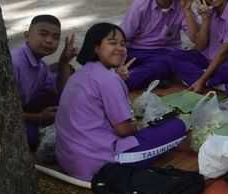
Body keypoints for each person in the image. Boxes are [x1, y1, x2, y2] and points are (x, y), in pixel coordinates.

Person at [55, 23, 187, 181]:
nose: (120, 48)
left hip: (69, 160)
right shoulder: (108, 79)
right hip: (100, 164)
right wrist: (140, 126)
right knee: (177, 126)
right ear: (96, 47)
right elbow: (124, 130)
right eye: (112, 43)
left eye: (123, 44)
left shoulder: (80, 74)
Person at [11, 15, 77, 149]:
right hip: (8, 115)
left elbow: (61, 92)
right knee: (30, 137)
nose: (49, 40)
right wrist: (38, 117)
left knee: (71, 82)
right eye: (43, 34)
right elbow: (3, 111)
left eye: (55, 37)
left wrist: (64, 62)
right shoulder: (15, 63)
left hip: (24, 106)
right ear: (27, 35)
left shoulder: (41, 67)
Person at [120, 0, 187, 91]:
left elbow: (196, 39)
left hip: (164, 54)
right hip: (136, 51)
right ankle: (149, 77)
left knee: (169, 62)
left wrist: (189, 11)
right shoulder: (140, 5)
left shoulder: (183, 6)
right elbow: (124, 35)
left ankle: (124, 82)